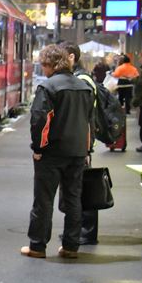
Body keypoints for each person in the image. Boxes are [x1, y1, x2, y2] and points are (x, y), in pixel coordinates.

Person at [22, 44, 94, 259]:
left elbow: (40, 121)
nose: (43, 70)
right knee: (73, 199)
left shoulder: (49, 87)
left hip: (52, 153)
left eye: (43, 65)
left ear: (49, 64)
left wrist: (38, 148)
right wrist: (87, 149)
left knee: (43, 200)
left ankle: (37, 246)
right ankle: (71, 246)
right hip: (78, 153)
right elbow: (89, 122)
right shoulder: (85, 87)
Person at [60, 42, 99, 245]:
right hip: (80, 139)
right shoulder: (80, 77)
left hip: (82, 141)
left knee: (83, 188)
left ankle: (86, 231)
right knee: (77, 188)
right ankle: (79, 230)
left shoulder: (82, 79)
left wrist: (86, 146)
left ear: (72, 57)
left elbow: (87, 115)